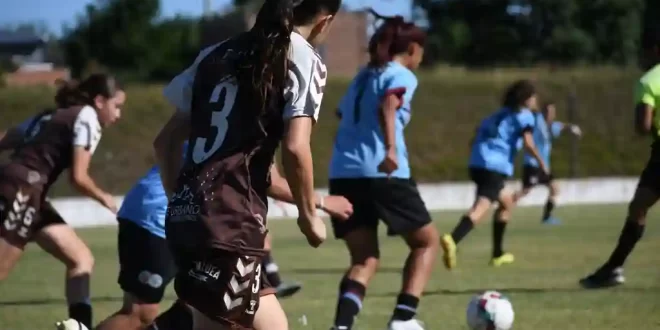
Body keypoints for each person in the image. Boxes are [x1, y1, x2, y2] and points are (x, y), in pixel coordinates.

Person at [152, 0, 340, 329]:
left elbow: (165, 142)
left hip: (189, 217)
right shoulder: (300, 54)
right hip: (230, 220)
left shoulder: (214, 55)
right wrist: (309, 217)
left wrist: (179, 203)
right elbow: (296, 148)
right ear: (325, 22)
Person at [94, 153, 352, 330]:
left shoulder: (211, 88)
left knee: (202, 306)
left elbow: (166, 140)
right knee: (141, 312)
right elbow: (272, 175)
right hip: (160, 215)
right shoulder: (256, 103)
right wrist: (318, 203)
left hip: (198, 221)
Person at [328, 12, 438, 330]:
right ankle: (404, 318)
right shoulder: (401, 75)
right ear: (413, 49)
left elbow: (342, 113)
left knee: (364, 259)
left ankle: (341, 327)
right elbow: (389, 104)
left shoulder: (362, 77)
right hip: (383, 172)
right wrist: (390, 148)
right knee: (426, 243)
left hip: (344, 173)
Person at [0, 74, 124, 330]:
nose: (119, 114)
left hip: (25, 189)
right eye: (117, 106)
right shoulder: (88, 117)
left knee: (81, 259)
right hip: (23, 189)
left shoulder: (51, 115)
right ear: (100, 101)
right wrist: (105, 198)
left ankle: (81, 326)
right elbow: (78, 177)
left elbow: (6, 138)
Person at [579, 27, 660, 289]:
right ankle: (613, 268)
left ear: (653, 51)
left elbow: (643, 126)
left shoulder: (650, 81)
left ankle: (613, 268)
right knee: (639, 205)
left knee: (638, 208)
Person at [440, 80, 547, 270]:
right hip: (494, 166)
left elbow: (476, 135)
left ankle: (497, 254)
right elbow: (529, 144)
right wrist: (542, 164)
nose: (535, 99)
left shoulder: (497, 115)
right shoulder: (525, 117)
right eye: (533, 96)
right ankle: (453, 239)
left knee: (506, 203)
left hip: (477, 162)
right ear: (526, 99)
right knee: (480, 208)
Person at [513, 102, 582, 225]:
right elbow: (536, 116)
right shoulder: (537, 121)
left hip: (543, 166)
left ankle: (546, 217)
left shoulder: (550, 125)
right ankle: (506, 204)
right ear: (543, 112)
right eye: (548, 112)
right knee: (525, 191)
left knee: (555, 189)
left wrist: (571, 127)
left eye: (553, 112)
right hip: (532, 164)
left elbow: (559, 126)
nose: (551, 114)